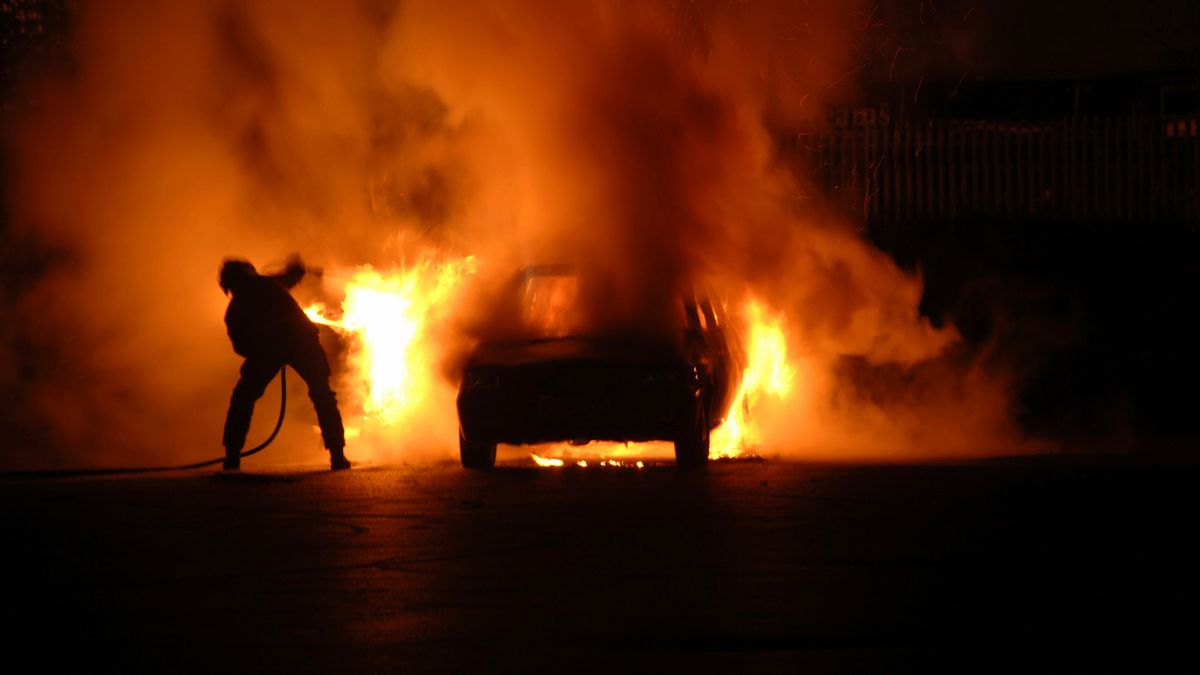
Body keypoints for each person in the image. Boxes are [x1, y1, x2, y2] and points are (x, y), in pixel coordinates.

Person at [219, 254, 349, 471]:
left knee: (244, 397)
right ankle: (337, 455)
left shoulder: (238, 308)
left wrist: (261, 352)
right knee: (322, 393)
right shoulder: (265, 286)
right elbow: (290, 277)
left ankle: (232, 456)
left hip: (287, 344)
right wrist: (297, 269)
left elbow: (241, 346)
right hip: (299, 341)